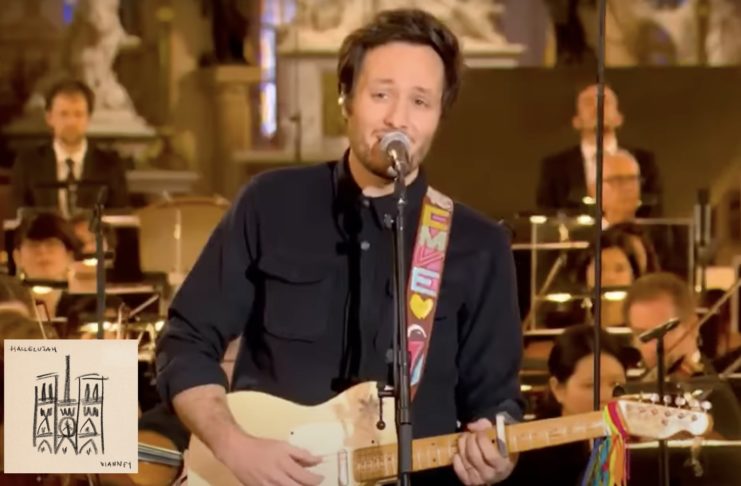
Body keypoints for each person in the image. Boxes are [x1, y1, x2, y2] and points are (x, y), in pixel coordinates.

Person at [156, 8, 523, 485]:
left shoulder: (479, 244)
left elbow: (496, 406)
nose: (398, 118)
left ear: (439, 115)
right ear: (345, 98)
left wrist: (496, 456)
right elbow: (185, 341)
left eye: (420, 101)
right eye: (381, 94)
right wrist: (232, 445)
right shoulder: (270, 203)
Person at [503, 325, 630, 485]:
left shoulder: (628, 445)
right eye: (591, 385)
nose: (606, 396)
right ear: (558, 389)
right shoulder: (526, 455)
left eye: (616, 384)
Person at [536, 83, 661, 217]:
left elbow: (654, 217)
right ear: (576, 121)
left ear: (619, 118)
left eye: (605, 101)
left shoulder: (644, 162)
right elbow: (548, 217)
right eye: (589, 103)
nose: (598, 107)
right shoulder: (555, 167)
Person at [10, 78, 130, 216]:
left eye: (78, 114)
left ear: (88, 118)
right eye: (64, 114)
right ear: (49, 118)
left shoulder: (111, 165)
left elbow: (120, 219)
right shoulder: (27, 164)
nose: (71, 122)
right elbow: (18, 218)